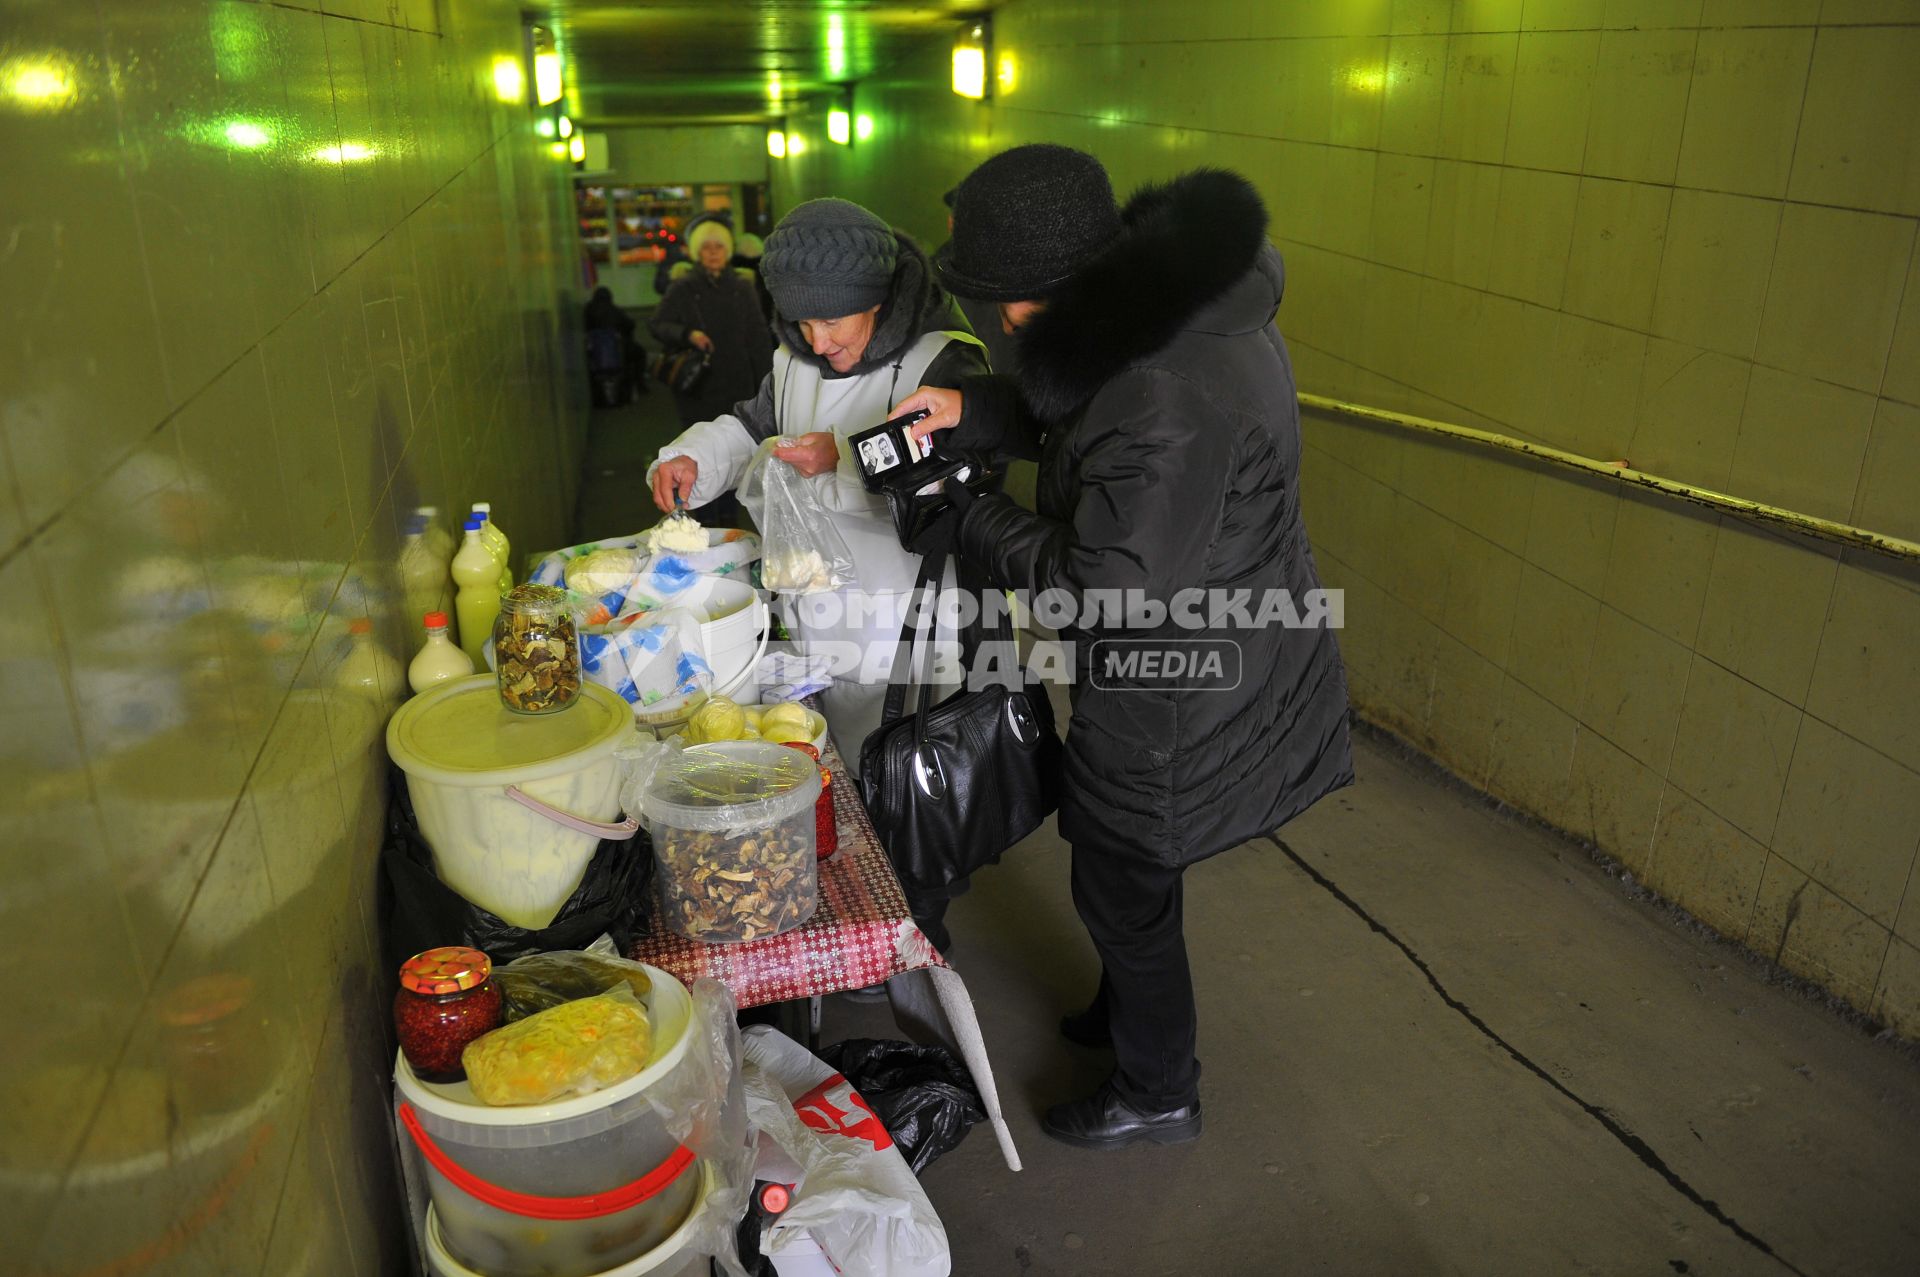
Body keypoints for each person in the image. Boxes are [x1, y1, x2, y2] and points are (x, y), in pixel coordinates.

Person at [894, 144, 1355, 1149]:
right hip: (1217, 643)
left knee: (1119, 871)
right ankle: (1128, 1008)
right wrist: (971, 413)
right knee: (1131, 866)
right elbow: (1087, 418)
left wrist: (966, 513)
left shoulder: (1162, 390)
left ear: (1025, 303)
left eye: (991, 306)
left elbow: (1098, 588)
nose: (994, 326)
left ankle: (1158, 1084)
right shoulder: (1165, 320)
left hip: (1185, 683)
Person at [646, 199, 989, 823]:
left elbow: (963, 485)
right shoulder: (794, 358)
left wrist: (848, 461)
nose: (816, 340)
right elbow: (753, 427)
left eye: (831, 321)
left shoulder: (939, 360)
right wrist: (693, 456)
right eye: (799, 322)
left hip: (904, 630)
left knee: (912, 795)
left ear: (879, 298)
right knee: (826, 771)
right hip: (812, 614)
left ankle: (922, 910)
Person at [649, 214, 773, 431]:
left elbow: (758, 337)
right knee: (702, 445)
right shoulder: (683, 287)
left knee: (740, 442)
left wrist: (768, 383)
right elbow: (657, 324)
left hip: (739, 382)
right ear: (697, 252)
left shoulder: (743, 287)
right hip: (699, 382)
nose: (714, 252)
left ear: (728, 251)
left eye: (719, 246)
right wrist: (688, 334)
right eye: (707, 247)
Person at [583, 286, 642, 405]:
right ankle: (640, 384)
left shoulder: (588, 311)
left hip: (594, 353)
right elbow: (629, 325)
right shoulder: (615, 310)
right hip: (618, 351)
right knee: (639, 354)